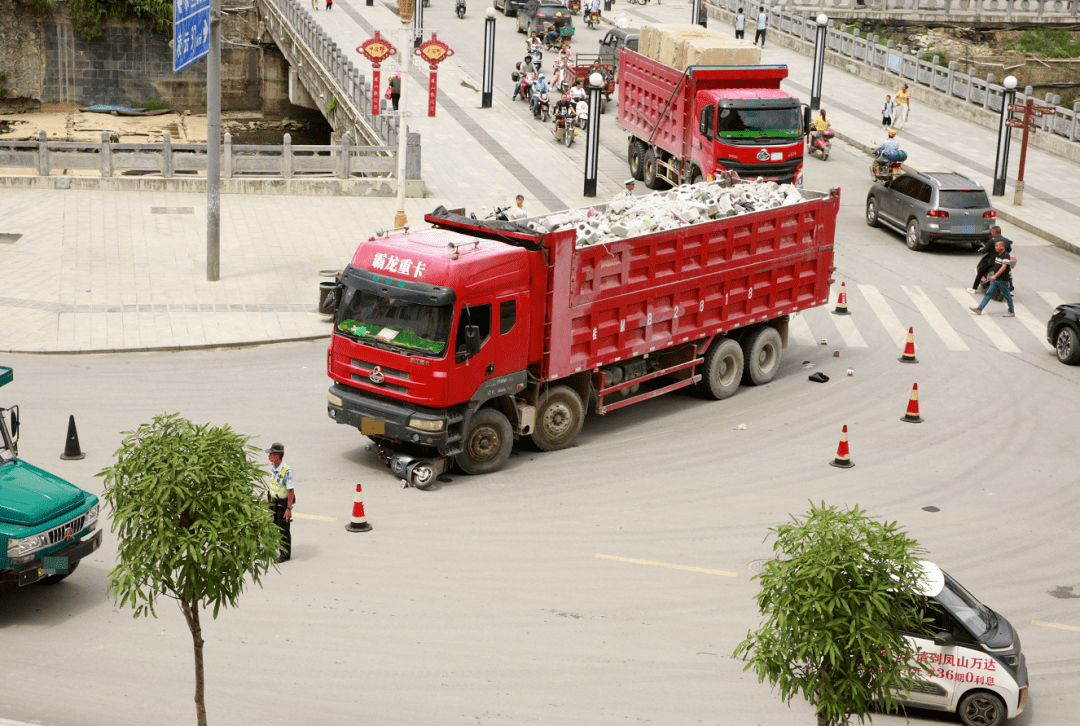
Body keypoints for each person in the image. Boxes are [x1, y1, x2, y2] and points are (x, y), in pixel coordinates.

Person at [265, 443, 295, 563]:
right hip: (273, 501)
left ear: (276, 456)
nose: (268, 456)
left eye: (270, 454)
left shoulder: (287, 471)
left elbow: (291, 491)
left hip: (282, 504)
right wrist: (268, 498)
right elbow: (272, 484)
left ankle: (285, 554)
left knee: (283, 529)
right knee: (271, 527)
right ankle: (270, 549)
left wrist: (289, 508)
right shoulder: (273, 467)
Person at [970, 240, 1015, 317]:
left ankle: (1011, 311)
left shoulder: (1006, 255)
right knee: (989, 294)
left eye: (997, 246)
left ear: (1002, 247)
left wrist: (995, 275)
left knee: (1007, 295)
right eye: (995, 246)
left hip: (1003, 280)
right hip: (996, 280)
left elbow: (1003, 267)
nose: (996, 248)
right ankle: (979, 309)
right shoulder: (997, 255)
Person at [970, 227, 1013, 292]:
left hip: (993, 262)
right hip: (1003, 261)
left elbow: (985, 251)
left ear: (994, 232)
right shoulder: (1006, 240)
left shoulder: (992, 241)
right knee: (1008, 272)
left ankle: (974, 288)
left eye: (992, 232)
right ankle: (1010, 288)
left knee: (980, 270)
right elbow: (1009, 250)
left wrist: (981, 249)